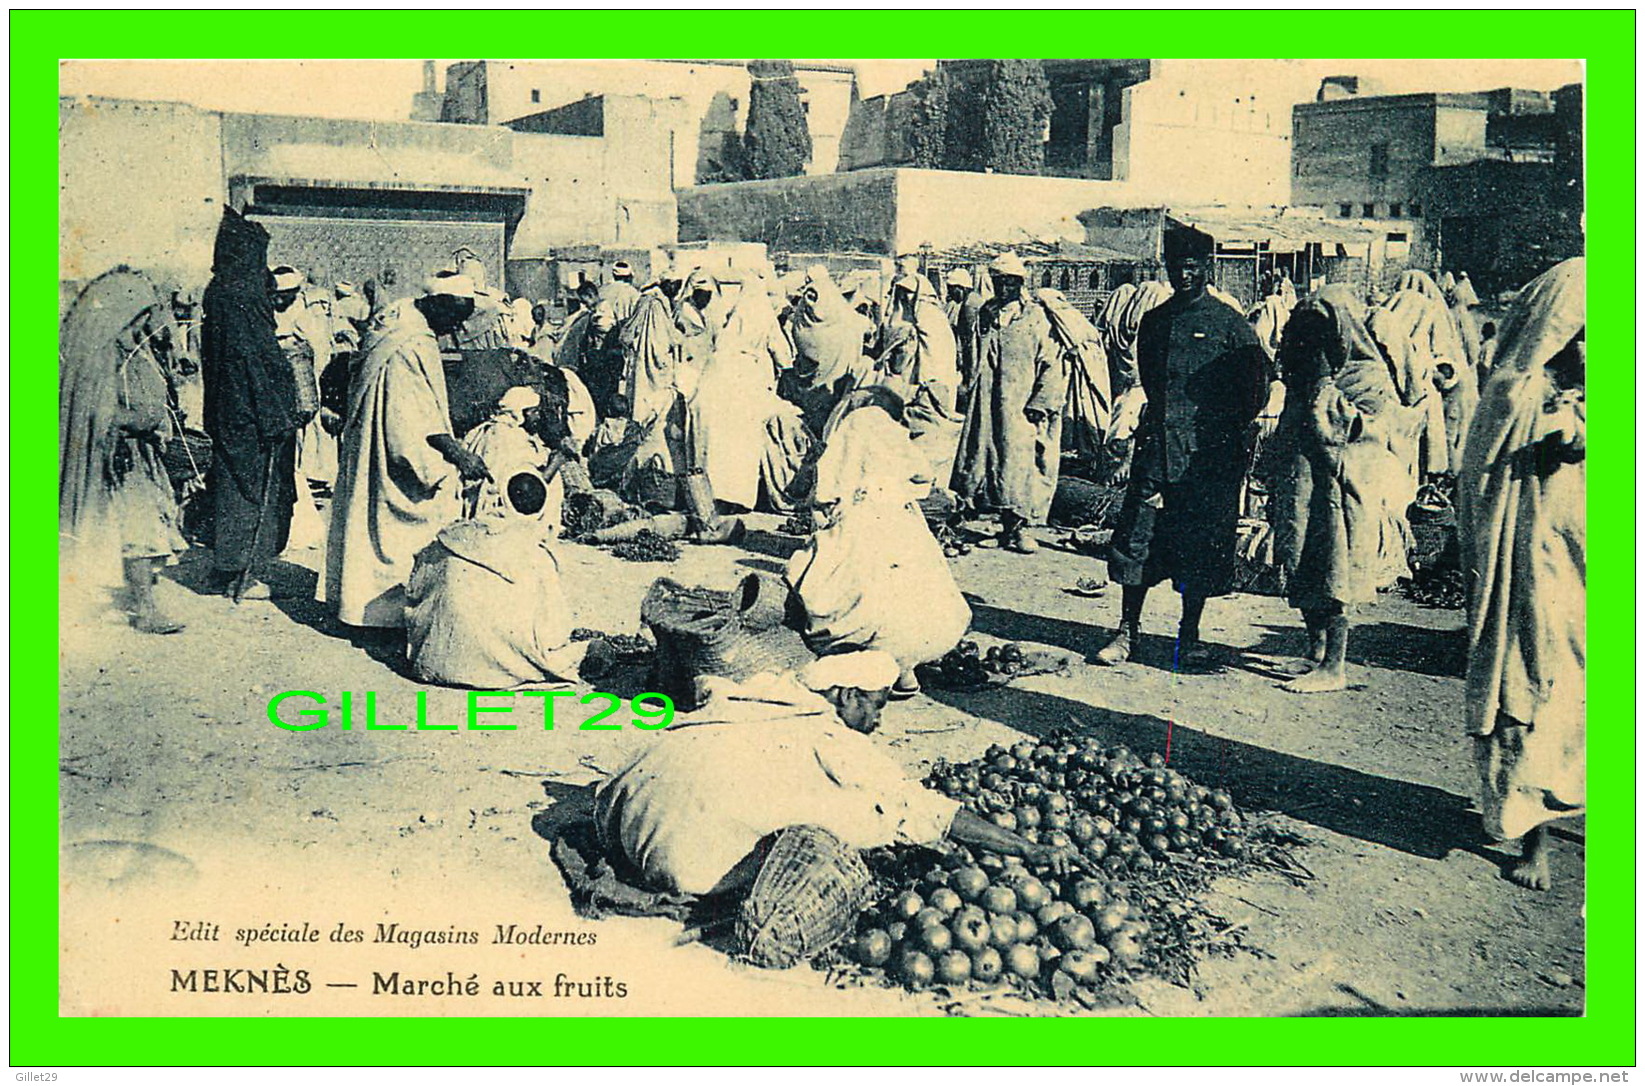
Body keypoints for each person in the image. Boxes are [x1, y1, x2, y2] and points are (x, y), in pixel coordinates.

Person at [594, 651, 1080, 897]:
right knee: (864, 813)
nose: (878, 720)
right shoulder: (834, 738)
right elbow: (922, 807)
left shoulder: (764, 694)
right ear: (847, 695)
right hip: (685, 864)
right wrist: (1025, 848)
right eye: (875, 706)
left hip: (624, 820)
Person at [1457, 258, 1584, 891]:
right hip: (1536, 574)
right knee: (1532, 686)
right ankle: (1534, 838)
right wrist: (1557, 440)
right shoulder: (1520, 397)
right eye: (1581, 334)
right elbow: (1487, 470)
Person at [1096, 226, 1269, 668]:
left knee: (1199, 545)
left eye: (1192, 267)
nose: (1184, 275)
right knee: (1138, 538)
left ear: (1208, 268)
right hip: (1157, 449)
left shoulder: (1231, 326)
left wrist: (1218, 436)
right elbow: (1153, 383)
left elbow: (1255, 392)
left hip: (1206, 457)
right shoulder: (1154, 322)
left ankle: (1188, 636)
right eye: (1176, 267)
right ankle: (1126, 631)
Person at [325, 272, 492, 628]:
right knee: (412, 525)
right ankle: (385, 618)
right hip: (390, 452)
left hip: (374, 443)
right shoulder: (409, 343)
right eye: (455, 318)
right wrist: (458, 456)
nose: (457, 330)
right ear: (438, 304)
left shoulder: (399, 316)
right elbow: (413, 424)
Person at [1269, 286, 1410, 692]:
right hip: (1305, 484)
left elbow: (1367, 432)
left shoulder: (1366, 376)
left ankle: (1335, 664)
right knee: (1302, 558)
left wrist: (1324, 401)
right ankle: (1315, 651)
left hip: (1341, 490)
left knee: (1335, 566)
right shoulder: (1308, 373)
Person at [787, 389, 971, 698]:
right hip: (899, 516)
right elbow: (923, 475)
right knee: (912, 589)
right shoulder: (893, 440)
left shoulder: (855, 433)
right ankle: (907, 666)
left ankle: (878, 662)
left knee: (827, 580)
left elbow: (821, 491)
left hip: (860, 517)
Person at [59, 268, 190, 633]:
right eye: (143, 315)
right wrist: (140, 419)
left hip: (142, 452)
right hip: (124, 454)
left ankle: (142, 600)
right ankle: (144, 610)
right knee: (139, 532)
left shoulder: (136, 350)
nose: (149, 321)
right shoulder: (103, 358)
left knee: (144, 528)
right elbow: (100, 410)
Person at [200, 209, 308, 600]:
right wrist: (278, 414)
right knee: (257, 490)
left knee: (228, 487)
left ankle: (223, 566)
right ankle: (245, 574)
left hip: (225, 409)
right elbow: (258, 361)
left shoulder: (218, 289)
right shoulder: (245, 293)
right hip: (252, 412)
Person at [405, 473, 586, 690]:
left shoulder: (458, 533)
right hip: (498, 669)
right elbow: (554, 629)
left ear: (503, 498)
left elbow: (417, 586)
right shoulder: (536, 550)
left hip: (437, 660)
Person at [950, 251, 1068, 554]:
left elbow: (1052, 363)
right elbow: (974, 352)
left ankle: (1021, 529)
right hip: (988, 402)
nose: (1004, 289)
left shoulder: (1035, 317)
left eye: (1010, 283)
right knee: (991, 461)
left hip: (1020, 407)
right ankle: (1003, 528)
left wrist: (1040, 402)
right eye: (998, 282)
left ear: (1019, 284)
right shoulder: (986, 314)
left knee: (1019, 464)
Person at [270, 266, 334, 555]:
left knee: (293, 458)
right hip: (280, 398)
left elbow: (317, 361)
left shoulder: (306, 320)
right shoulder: (271, 315)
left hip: (299, 396)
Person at [784, 265, 873, 436]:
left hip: (823, 359)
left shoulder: (814, 292)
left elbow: (807, 327)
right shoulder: (838, 303)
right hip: (839, 360)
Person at [584, 261, 643, 417]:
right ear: (630, 276)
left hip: (600, 349)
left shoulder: (602, 291)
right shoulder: (633, 294)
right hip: (621, 347)